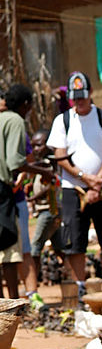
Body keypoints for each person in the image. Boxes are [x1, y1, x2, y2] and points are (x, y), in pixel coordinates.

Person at [47, 71, 102, 302]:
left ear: (91, 94)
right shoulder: (63, 121)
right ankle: (79, 285)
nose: (78, 102)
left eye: (82, 96)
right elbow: (60, 156)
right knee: (75, 239)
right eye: (74, 97)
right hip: (73, 189)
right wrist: (84, 178)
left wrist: (97, 181)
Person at [0, 85, 53, 299]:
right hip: (3, 191)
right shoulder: (15, 121)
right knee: (10, 251)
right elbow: (15, 162)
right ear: (25, 104)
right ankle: (11, 306)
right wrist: (43, 171)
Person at [28, 129, 63, 281]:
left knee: (35, 247)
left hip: (48, 211)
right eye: (33, 146)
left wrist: (33, 198)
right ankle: (71, 276)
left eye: (39, 145)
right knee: (59, 247)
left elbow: (51, 186)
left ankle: (32, 283)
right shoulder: (42, 164)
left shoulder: (52, 163)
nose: (36, 149)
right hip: (51, 211)